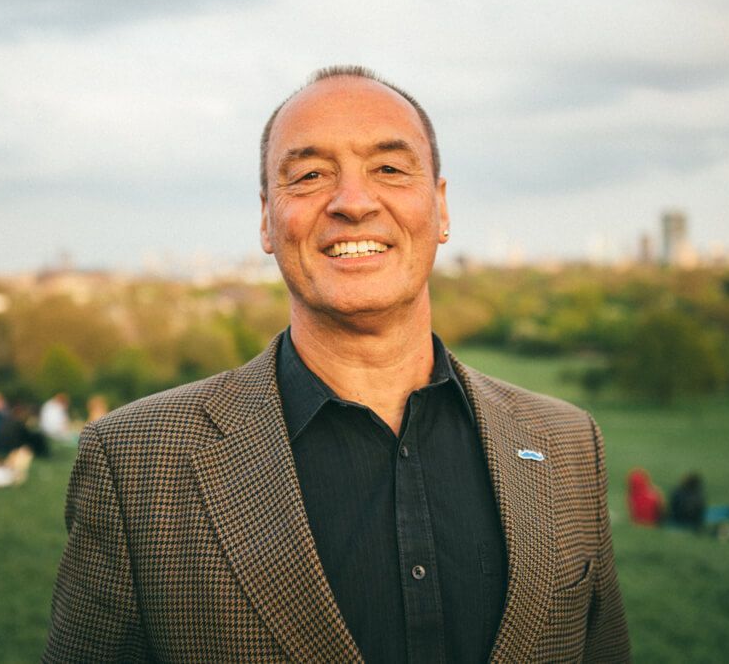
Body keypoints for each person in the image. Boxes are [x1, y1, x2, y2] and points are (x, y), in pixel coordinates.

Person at [45, 66, 630, 662]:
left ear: (442, 207)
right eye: (310, 175)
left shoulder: (566, 444)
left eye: (390, 169)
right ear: (267, 219)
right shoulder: (134, 464)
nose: (353, 202)